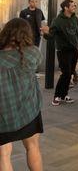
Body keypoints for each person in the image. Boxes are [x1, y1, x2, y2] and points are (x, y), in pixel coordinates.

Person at [0, 18, 43, 171]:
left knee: (3, 155)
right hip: (28, 111)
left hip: (3, 115)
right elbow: (37, 61)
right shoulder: (32, 53)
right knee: (33, 147)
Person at [46, 0, 78, 106]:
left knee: (70, 73)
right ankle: (56, 96)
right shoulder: (57, 21)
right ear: (65, 7)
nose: (74, 6)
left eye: (75, 5)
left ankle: (64, 95)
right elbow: (50, 35)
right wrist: (45, 33)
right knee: (66, 73)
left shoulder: (74, 18)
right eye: (72, 5)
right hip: (63, 50)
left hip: (74, 49)